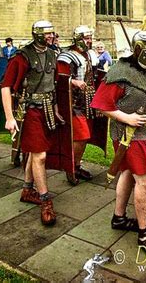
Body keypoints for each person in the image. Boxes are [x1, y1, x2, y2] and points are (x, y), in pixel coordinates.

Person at [91, 30, 146, 255]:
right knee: (145, 180)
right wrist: (127, 118)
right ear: (137, 50)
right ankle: (144, 235)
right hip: (128, 134)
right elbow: (101, 104)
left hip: (144, 132)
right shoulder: (119, 71)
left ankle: (119, 217)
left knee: (126, 173)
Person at [1, 20, 60, 226]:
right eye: (48, 34)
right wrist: (9, 117)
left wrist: (56, 109)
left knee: (35, 153)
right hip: (30, 110)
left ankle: (27, 189)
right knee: (40, 156)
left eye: (53, 33)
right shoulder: (22, 56)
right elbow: (6, 86)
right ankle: (45, 200)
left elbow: (52, 86)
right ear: (38, 35)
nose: (52, 36)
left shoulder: (53, 54)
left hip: (47, 110)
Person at [57, 25, 96, 184]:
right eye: (86, 38)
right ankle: (70, 167)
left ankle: (77, 166)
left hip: (87, 101)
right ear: (78, 39)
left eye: (90, 38)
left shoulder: (89, 55)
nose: (89, 41)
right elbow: (59, 78)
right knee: (81, 136)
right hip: (72, 103)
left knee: (85, 137)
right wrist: (73, 81)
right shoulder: (67, 56)